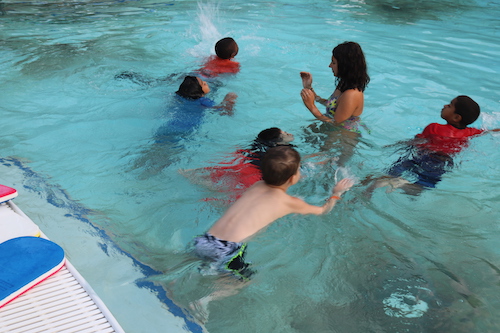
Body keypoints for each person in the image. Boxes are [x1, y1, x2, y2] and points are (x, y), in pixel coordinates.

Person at [192, 146, 354, 279]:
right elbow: (323, 210)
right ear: (292, 179)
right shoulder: (289, 203)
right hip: (227, 249)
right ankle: (203, 301)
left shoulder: (258, 185)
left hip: (206, 239)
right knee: (243, 281)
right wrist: (336, 192)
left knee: (199, 265)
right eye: (298, 170)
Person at [366, 96, 500, 195]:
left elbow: (416, 142)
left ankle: (369, 191)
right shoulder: (470, 133)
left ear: (456, 117)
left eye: (450, 105)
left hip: (420, 156)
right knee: (418, 189)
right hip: (441, 163)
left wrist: (397, 145)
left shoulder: (434, 128)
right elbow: (490, 131)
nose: (445, 105)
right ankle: (401, 184)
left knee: (390, 173)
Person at [300, 41, 369, 132]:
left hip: (342, 139)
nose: (330, 66)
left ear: (345, 66)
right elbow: (332, 105)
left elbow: (336, 124)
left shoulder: (352, 94)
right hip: (332, 133)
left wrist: (312, 107)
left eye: (334, 62)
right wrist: (309, 88)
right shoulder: (344, 84)